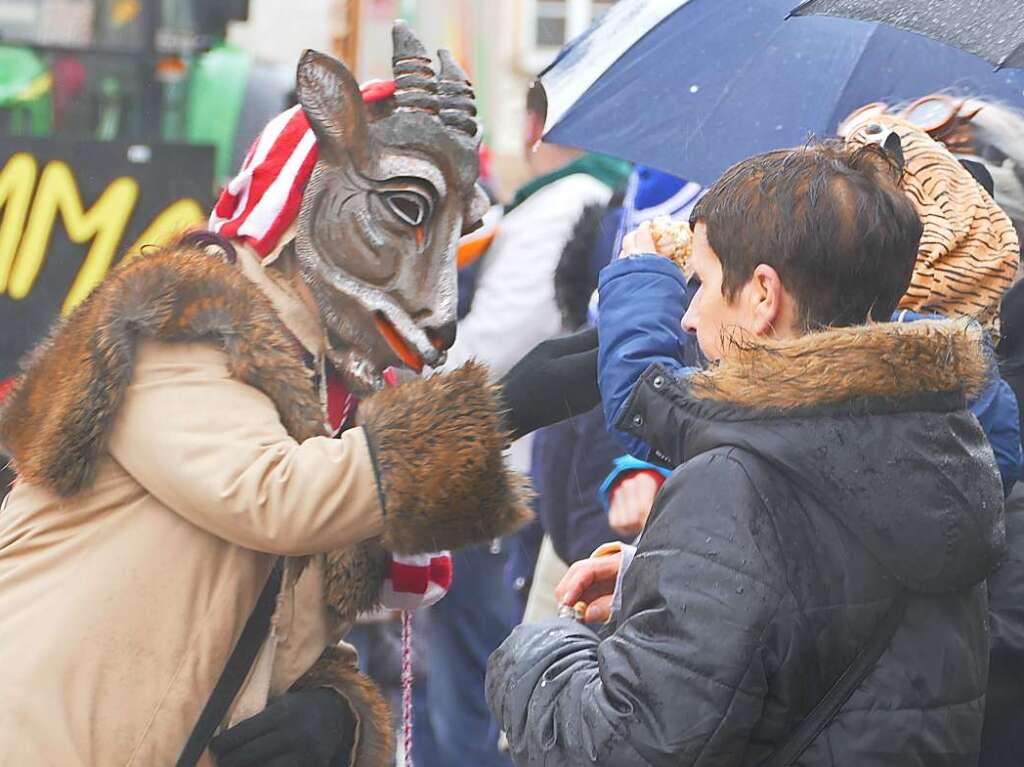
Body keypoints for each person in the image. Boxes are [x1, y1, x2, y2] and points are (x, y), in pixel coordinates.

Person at [0, 32, 598, 766]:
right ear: (313, 191)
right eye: (407, 211)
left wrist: (336, 716)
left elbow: (281, 631)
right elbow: (271, 496)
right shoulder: (181, 326)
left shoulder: (327, 397)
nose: (439, 304)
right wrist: (496, 413)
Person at [487, 139, 1005, 765]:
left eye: (702, 283)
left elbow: (627, 744)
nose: (688, 318)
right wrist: (662, 580)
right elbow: (831, 602)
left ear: (763, 295)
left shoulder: (735, 480)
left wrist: (536, 655)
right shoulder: (946, 438)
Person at [418, 79, 630, 767]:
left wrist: (410, 366)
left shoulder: (559, 206)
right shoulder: (588, 197)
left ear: (535, 123)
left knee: (477, 681)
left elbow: (495, 345)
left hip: (495, 467)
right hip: (530, 467)